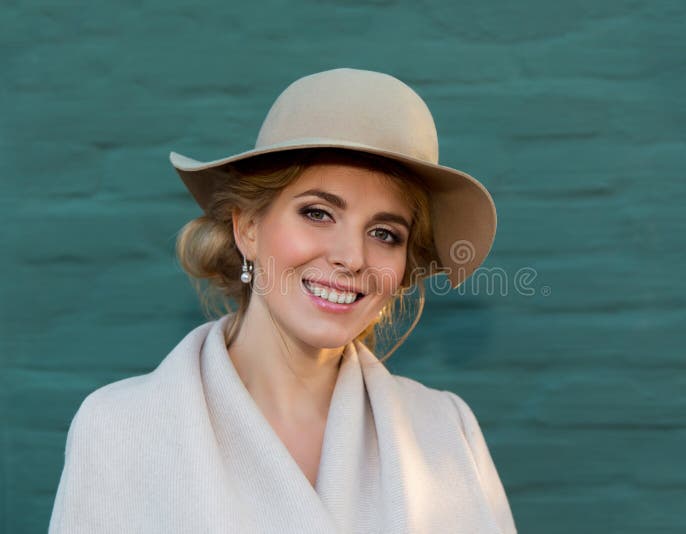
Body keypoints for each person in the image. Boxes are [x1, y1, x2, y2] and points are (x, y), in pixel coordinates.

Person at [48, 68, 517, 533]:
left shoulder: (446, 430)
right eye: (318, 213)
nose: (352, 257)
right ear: (247, 227)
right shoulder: (120, 428)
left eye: (384, 233)